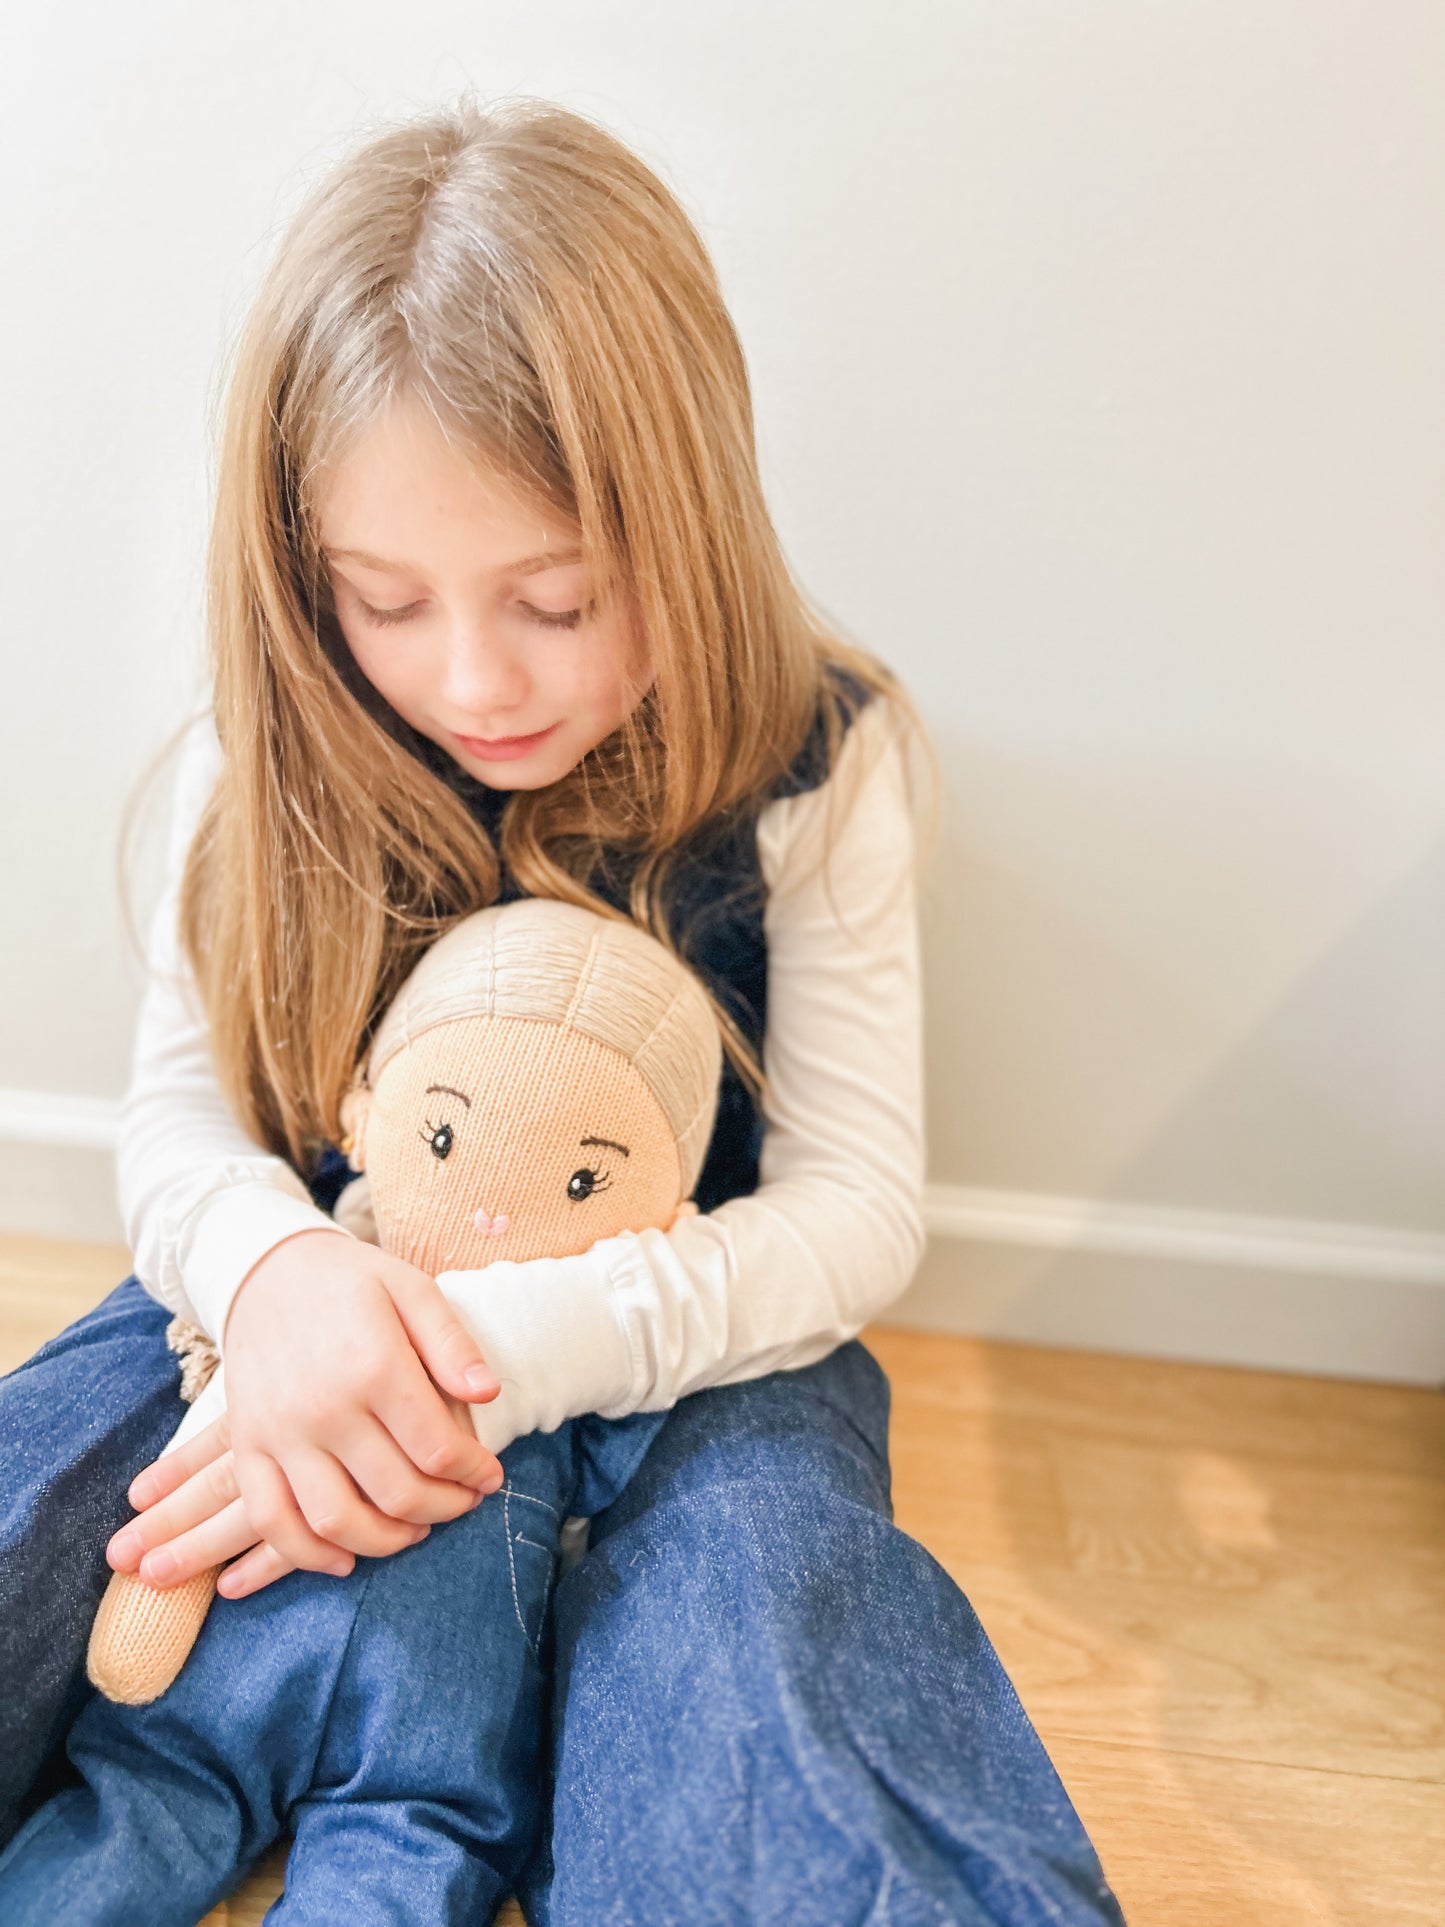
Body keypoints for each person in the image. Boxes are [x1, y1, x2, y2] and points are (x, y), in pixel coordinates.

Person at [0, 94, 1127, 1924]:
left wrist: (512, 1360)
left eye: (555, 598)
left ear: (685, 523)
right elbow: (179, 1129)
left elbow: (849, 1215)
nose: (469, 678)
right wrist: (282, 1289)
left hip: (698, 1350)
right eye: (383, 600)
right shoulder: (267, 747)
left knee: (770, 1633)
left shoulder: (823, 761)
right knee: (46, 1495)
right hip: (293, 1304)